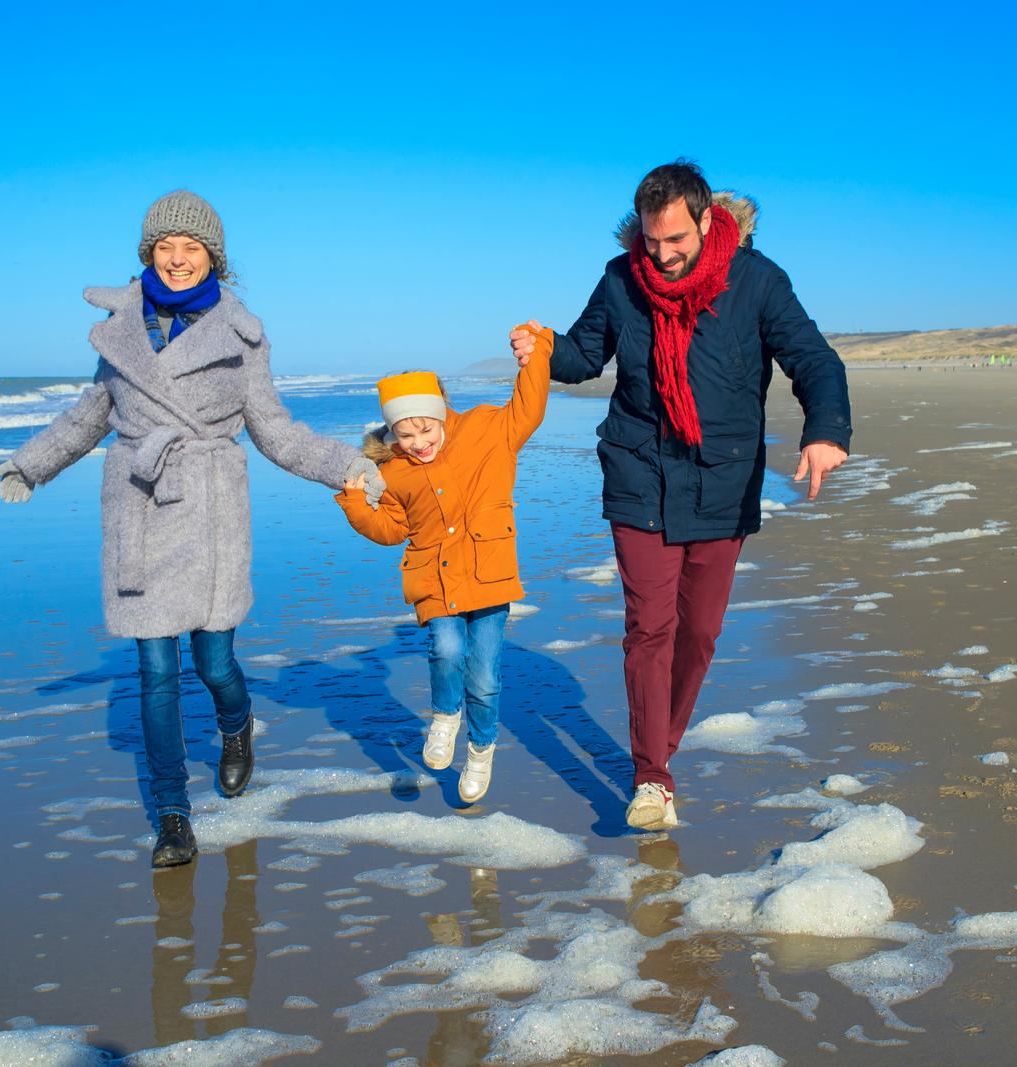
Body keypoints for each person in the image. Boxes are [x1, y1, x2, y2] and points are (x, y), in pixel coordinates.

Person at [0, 190, 384, 867]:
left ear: (213, 258)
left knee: (214, 663)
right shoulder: (122, 330)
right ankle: (174, 815)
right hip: (140, 508)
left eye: (190, 247)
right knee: (154, 672)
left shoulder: (242, 335)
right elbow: (91, 415)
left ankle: (237, 726)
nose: (176, 258)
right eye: (164, 247)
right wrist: (30, 466)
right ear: (149, 254)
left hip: (209, 509)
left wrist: (346, 465)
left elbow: (276, 432)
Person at [509, 161, 851, 831]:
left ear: (704, 219)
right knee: (650, 627)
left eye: (675, 241)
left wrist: (825, 430)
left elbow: (812, 358)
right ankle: (651, 776)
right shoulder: (621, 279)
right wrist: (542, 347)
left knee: (698, 633)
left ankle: (657, 750)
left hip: (723, 478)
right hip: (639, 473)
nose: (661, 256)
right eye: (650, 241)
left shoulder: (755, 280)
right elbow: (585, 353)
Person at [334, 332, 553, 804]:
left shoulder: (487, 430)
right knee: (448, 649)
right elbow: (391, 528)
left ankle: (480, 751)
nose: (419, 443)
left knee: (485, 675)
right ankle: (444, 718)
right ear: (392, 433)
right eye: (405, 435)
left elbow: (529, 406)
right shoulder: (393, 471)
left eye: (426, 430)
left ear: (442, 414)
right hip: (433, 576)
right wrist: (355, 502)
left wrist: (537, 356)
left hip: (489, 572)